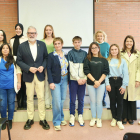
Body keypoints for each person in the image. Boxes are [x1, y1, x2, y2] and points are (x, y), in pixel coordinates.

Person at [16, 26, 50, 130]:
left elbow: (46, 58)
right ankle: (30, 119)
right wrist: (28, 68)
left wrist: (42, 66)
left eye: (34, 33)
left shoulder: (42, 44)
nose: (32, 35)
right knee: (29, 98)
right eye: (30, 33)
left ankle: (42, 119)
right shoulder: (22, 46)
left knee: (41, 97)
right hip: (28, 75)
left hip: (40, 75)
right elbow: (19, 61)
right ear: (27, 34)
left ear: (37, 34)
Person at [84, 42, 109, 128]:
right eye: (92, 48)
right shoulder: (87, 59)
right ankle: (93, 117)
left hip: (101, 84)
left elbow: (106, 72)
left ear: (99, 49)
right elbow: (86, 71)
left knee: (99, 102)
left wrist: (99, 82)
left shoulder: (104, 60)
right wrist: (95, 81)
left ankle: (99, 119)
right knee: (93, 101)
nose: (94, 49)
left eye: (96, 47)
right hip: (91, 84)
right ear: (90, 50)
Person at [105, 44, 129, 130]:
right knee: (112, 101)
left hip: (120, 82)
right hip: (111, 81)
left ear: (118, 50)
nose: (114, 51)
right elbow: (106, 74)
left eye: (115, 49)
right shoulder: (107, 61)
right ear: (110, 51)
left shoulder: (122, 61)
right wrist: (107, 84)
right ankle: (114, 118)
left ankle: (119, 120)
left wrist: (124, 85)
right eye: (112, 49)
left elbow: (126, 74)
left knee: (120, 101)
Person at [47, 37, 68, 131]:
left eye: (59, 43)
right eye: (55, 44)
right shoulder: (51, 55)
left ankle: (61, 118)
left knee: (62, 100)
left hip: (65, 78)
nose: (57, 45)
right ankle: (56, 121)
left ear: (62, 44)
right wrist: (51, 82)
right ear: (54, 45)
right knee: (56, 101)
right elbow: (48, 69)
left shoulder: (66, 54)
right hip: (55, 80)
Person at [0, 43, 21, 130]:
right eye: (3, 48)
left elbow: (18, 71)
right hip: (1, 86)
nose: (5, 49)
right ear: (1, 50)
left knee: (11, 103)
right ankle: (4, 120)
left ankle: (10, 119)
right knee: (2, 104)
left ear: (9, 50)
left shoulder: (14, 59)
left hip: (12, 85)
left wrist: (19, 82)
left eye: (7, 48)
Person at [68, 36, 87, 127]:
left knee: (81, 99)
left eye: (79, 42)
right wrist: (77, 78)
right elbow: (71, 68)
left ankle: (80, 115)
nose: (77, 44)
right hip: (74, 80)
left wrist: (84, 78)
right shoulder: (70, 53)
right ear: (73, 43)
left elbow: (87, 67)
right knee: (72, 99)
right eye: (75, 42)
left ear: (81, 43)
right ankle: (72, 115)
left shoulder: (85, 53)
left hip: (83, 80)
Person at [121, 35, 140, 125]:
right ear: (125, 43)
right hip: (123, 79)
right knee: (124, 98)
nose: (129, 43)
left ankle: (131, 117)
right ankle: (124, 117)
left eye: (130, 41)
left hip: (133, 79)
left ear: (133, 43)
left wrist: (138, 80)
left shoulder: (137, 54)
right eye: (127, 41)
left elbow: (139, 68)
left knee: (132, 98)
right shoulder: (120, 53)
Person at [10, 23, 28, 110]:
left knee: (24, 82)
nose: (18, 30)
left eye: (19, 28)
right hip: (14, 62)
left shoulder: (26, 38)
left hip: (23, 62)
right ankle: (18, 102)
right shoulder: (12, 40)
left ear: (22, 29)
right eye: (16, 28)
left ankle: (23, 103)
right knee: (17, 82)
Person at [41, 25, 55, 109]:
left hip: (54, 65)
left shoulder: (55, 40)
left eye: (50, 30)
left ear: (52, 31)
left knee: (53, 83)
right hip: (45, 65)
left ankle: (53, 101)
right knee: (46, 84)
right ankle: (47, 102)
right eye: (47, 30)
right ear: (45, 31)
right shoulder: (41, 41)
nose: (48, 31)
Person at [95, 30, 110, 106]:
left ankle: (102, 99)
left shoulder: (107, 45)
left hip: (104, 66)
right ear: (96, 37)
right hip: (95, 66)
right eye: (98, 36)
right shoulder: (94, 45)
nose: (100, 37)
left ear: (104, 37)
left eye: (101, 36)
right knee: (96, 82)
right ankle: (96, 100)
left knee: (103, 83)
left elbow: (109, 55)